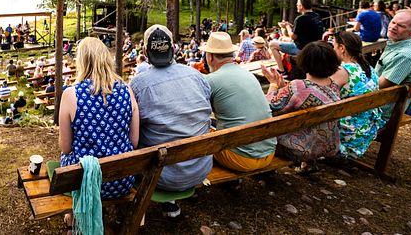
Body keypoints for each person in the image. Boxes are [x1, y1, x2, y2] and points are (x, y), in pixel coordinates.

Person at [129, 24, 212, 218]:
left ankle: (165, 200)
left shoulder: (138, 84)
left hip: (162, 176)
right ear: (173, 49)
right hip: (200, 168)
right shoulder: (196, 76)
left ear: (145, 52)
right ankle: (172, 201)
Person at [58, 37, 139, 230]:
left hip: (85, 182)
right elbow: (134, 142)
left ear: (81, 62)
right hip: (122, 180)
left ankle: (73, 216)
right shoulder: (127, 91)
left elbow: (66, 147)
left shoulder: (71, 94)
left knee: (66, 158)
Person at [202, 32, 277, 172]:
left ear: (210, 56)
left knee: (200, 132)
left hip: (241, 158)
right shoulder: (249, 75)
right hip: (269, 154)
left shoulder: (211, 80)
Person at [260, 41, 341, 163]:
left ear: (304, 61)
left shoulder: (298, 86)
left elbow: (269, 106)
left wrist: (273, 84)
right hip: (327, 145)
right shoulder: (334, 86)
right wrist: (284, 88)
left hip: (297, 149)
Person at [330, 31, 381, 159]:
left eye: (334, 46)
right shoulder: (369, 68)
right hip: (363, 133)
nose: (332, 50)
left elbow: (321, 98)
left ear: (342, 48)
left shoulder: (343, 71)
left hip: (345, 138)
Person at [375, 10, 411, 119]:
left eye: (401, 26)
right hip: (379, 103)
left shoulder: (404, 56)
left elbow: (379, 85)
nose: (393, 27)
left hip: (380, 112)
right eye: (393, 22)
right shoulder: (398, 45)